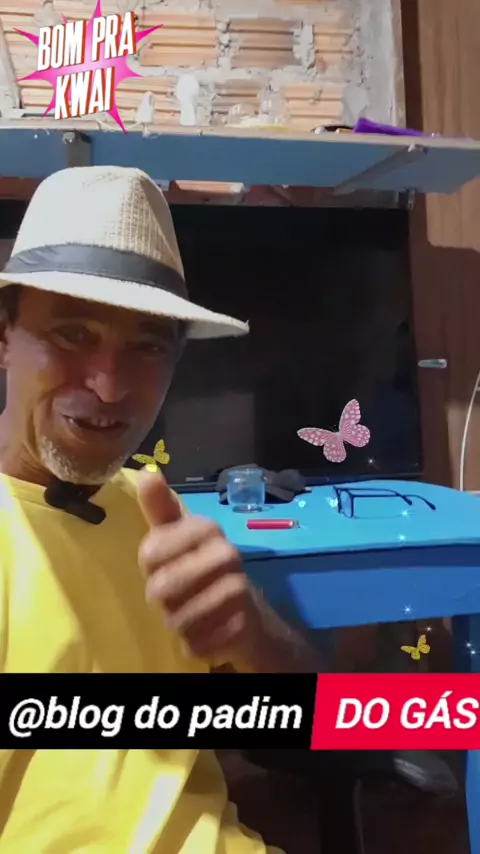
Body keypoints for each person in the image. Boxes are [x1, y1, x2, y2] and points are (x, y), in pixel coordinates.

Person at [0, 165, 319, 853]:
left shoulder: (154, 511)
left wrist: (254, 631)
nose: (111, 387)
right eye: (72, 334)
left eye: (147, 346)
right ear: (4, 337)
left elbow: (314, 730)